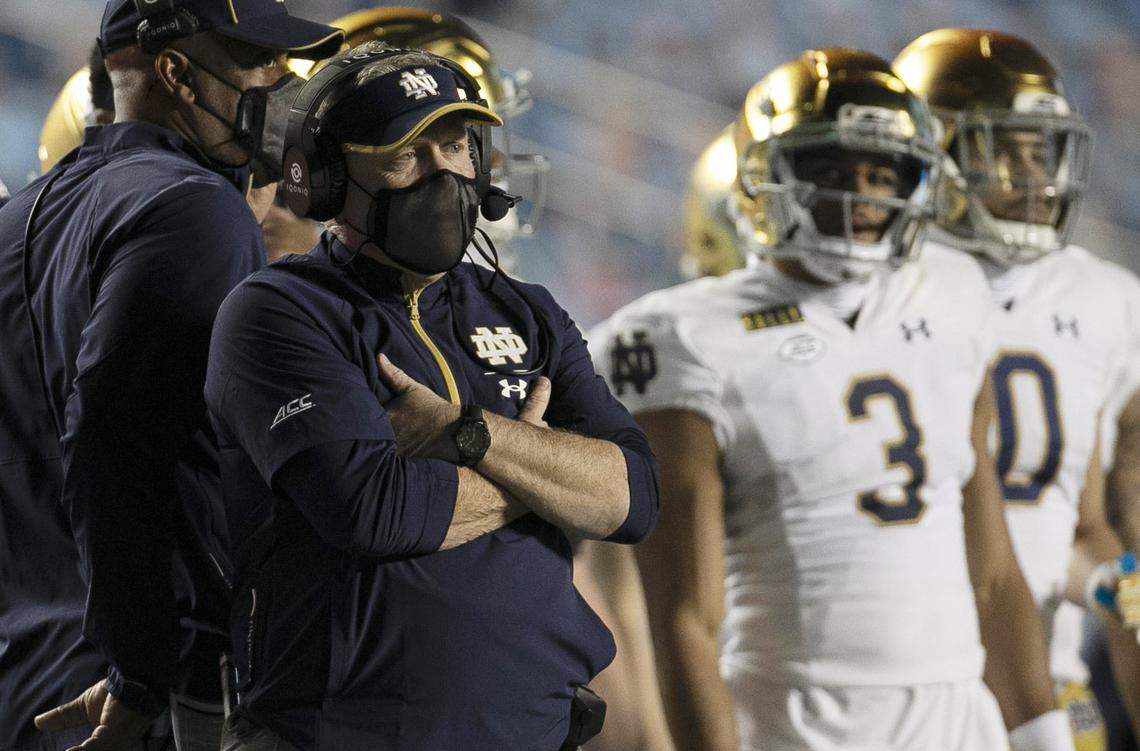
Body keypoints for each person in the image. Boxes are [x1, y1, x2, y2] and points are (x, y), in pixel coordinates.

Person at [591, 48, 1073, 751]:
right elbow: (686, 617)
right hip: (796, 721)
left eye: (883, 173)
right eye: (831, 170)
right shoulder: (682, 335)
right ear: (765, 175)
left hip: (957, 719)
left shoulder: (954, 290)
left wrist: (1042, 730)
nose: (861, 195)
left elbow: (993, 569)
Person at [203, 42, 658, 750]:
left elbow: (632, 498)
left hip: (535, 730)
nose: (444, 173)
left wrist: (473, 435)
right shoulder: (278, 311)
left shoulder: (528, 310)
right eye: (405, 153)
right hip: (340, 731)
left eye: (454, 145)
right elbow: (373, 510)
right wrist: (544, 473)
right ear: (324, 177)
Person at [0, 2, 341, 749]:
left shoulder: (18, 215)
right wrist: (144, 674)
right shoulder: (196, 207)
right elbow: (114, 444)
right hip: (128, 692)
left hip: (24, 668)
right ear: (177, 74)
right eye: (257, 59)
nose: (281, 80)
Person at [895, 28, 1140, 751]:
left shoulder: (1104, 298)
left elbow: (1082, 521)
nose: (1034, 176)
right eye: (1002, 149)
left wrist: (1117, 587)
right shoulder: (885, 292)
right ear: (933, 153)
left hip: (1050, 667)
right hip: (898, 674)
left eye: (1042, 151)